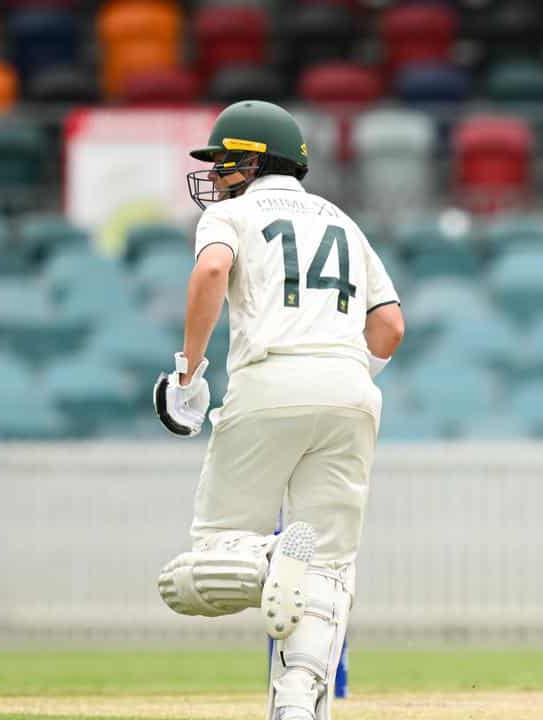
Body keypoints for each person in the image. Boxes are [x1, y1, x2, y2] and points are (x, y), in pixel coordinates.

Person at [152, 100, 404, 720]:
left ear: (257, 160)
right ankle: (296, 704)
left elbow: (212, 269)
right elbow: (391, 328)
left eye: (225, 161)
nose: (215, 175)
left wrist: (188, 370)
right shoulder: (345, 222)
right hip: (352, 389)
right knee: (331, 569)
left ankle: (271, 556)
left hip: (269, 380)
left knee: (214, 554)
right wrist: (343, 370)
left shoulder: (233, 214)